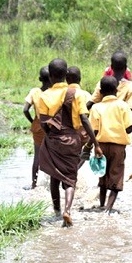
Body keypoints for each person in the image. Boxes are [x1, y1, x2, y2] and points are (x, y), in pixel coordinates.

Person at [36, 58, 102, 227]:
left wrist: (51, 136)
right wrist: (95, 143)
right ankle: (67, 210)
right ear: (66, 75)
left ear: (50, 76)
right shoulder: (77, 94)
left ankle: (56, 210)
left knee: (54, 176)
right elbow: (84, 119)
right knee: (70, 179)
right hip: (72, 139)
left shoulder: (43, 96)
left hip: (52, 139)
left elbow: (43, 122)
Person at [89, 76, 132, 214]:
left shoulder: (96, 107)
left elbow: (94, 131)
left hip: (101, 146)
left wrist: (93, 146)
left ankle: (102, 205)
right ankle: (108, 209)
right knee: (116, 178)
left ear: (101, 91)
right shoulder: (123, 106)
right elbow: (129, 129)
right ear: (116, 90)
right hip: (118, 148)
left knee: (102, 176)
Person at [22, 66, 51, 189]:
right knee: (53, 155)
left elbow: (25, 110)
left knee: (37, 156)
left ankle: (34, 184)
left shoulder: (34, 91)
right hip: (52, 126)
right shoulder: (53, 92)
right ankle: (54, 184)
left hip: (38, 125)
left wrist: (32, 121)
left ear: (40, 78)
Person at [65, 66, 94, 169]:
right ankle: (75, 171)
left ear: (66, 79)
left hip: (66, 130)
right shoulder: (86, 95)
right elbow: (90, 115)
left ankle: (68, 173)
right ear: (80, 79)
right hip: (83, 130)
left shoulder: (63, 93)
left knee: (67, 156)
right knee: (85, 152)